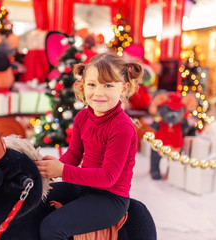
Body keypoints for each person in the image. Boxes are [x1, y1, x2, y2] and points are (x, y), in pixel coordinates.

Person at [35, 52, 143, 240]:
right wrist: (53, 167)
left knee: (52, 228)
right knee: (33, 202)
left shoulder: (122, 127)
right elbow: (74, 155)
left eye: (108, 85)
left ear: (124, 88)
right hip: (82, 186)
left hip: (110, 199)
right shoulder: (82, 117)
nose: (98, 92)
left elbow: (108, 177)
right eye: (92, 84)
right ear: (83, 85)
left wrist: (62, 170)